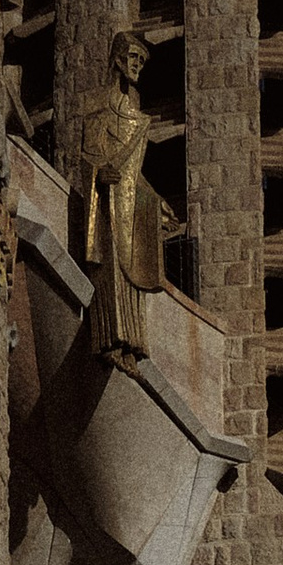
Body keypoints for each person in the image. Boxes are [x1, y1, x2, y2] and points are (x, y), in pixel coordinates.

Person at [74, 29, 177, 369]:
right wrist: (98, 173)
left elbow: (134, 172)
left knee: (132, 273)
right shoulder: (96, 106)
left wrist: (155, 200)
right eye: (133, 59)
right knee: (112, 272)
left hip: (128, 207)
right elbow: (90, 154)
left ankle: (132, 344)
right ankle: (109, 339)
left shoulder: (135, 115)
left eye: (141, 62)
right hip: (106, 204)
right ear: (117, 59)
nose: (137, 67)